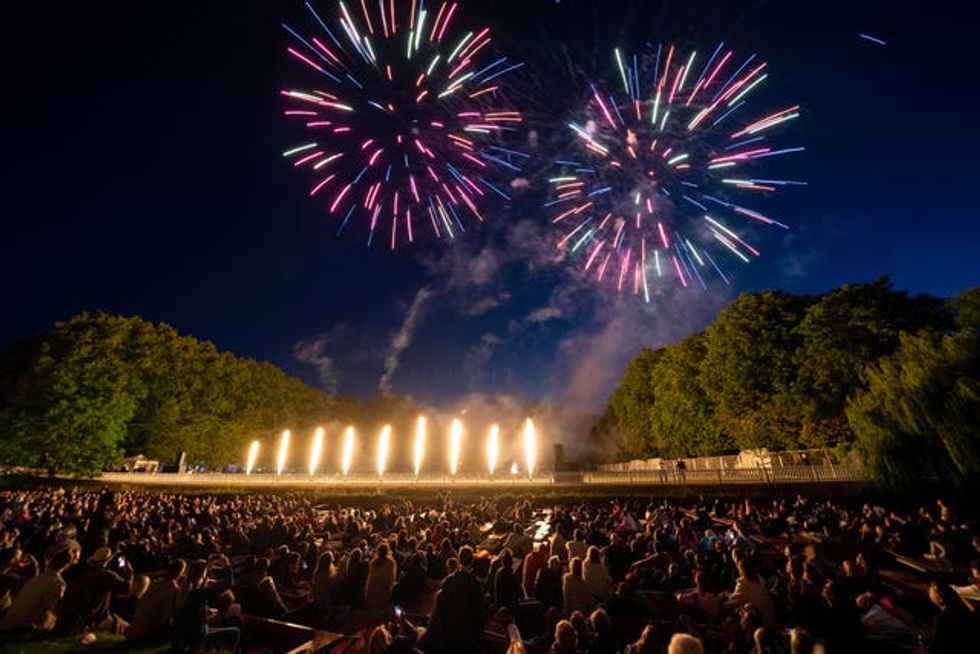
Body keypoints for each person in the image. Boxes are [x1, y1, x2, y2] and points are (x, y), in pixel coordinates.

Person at [54, 546, 133, 635]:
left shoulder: (85, 574)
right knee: (127, 627)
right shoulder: (106, 575)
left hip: (79, 619)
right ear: (107, 561)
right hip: (95, 619)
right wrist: (129, 572)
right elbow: (127, 587)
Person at [423, 545, 485, 654]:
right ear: (472, 561)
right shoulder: (475, 584)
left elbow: (440, 610)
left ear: (458, 559)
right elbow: (479, 612)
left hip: (450, 634)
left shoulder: (448, 581)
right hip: (467, 636)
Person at [173, 555, 238, 653]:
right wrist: (226, 565)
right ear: (201, 576)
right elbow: (228, 583)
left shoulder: (184, 589)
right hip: (198, 635)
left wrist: (207, 568)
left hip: (185, 634)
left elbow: (201, 584)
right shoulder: (199, 594)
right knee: (236, 631)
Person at [0, 550, 70, 632]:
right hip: (18, 627)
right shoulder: (57, 583)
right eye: (19, 557)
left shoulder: (38, 580)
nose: (22, 560)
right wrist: (35, 565)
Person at [127, 558, 185, 642]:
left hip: (135, 628)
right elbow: (167, 618)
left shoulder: (154, 584)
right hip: (147, 633)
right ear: (181, 573)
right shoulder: (173, 590)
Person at [725, 559, 777, 629]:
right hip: (770, 618)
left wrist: (724, 598)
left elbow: (734, 600)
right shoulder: (759, 579)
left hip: (759, 622)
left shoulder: (742, 584)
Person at [930, 582, 980, 653]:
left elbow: (937, 645)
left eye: (931, 594)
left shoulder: (942, 618)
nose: (930, 595)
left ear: (940, 599)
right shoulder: (965, 612)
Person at [366, 543, 397, 618]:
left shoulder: (373, 563)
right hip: (383, 589)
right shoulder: (391, 563)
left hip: (372, 589)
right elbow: (391, 577)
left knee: (373, 612)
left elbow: (370, 578)